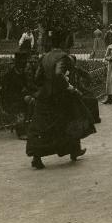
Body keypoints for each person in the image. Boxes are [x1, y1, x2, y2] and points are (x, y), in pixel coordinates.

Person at [25, 31, 88, 169]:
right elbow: (59, 74)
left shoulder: (44, 56)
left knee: (42, 126)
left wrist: (45, 88)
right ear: (62, 42)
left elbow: (37, 78)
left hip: (44, 96)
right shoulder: (63, 57)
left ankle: (37, 157)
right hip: (60, 96)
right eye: (65, 40)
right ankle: (74, 150)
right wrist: (70, 88)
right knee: (72, 119)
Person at [1, 51, 37, 139]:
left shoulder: (24, 74)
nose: (24, 66)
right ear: (17, 64)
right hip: (11, 100)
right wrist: (24, 97)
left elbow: (30, 86)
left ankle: (32, 127)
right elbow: (6, 93)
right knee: (26, 103)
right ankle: (21, 131)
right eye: (21, 63)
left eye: (24, 63)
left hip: (23, 98)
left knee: (36, 100)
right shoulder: (10, 76)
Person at [67, 55, 101, 123]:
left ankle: (94, 118)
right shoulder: (65, 71)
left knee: (93, 98)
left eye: (72, 62)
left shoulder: (77, 69)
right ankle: (86, 118)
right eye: (69, 62)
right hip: (71, 91)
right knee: (85, 99)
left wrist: (87, 83)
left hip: (79, 88)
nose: (71, 63)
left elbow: (87, 75)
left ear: (74, 62)